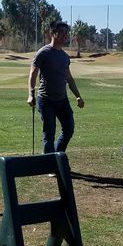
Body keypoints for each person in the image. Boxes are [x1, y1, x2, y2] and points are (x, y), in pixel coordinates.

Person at [27, 21, 85, 153]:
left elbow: (69, 78)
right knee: (49, 134)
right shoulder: (43, 53)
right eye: (62, 32)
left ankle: (57, 159)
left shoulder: (65, 57)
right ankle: (49, 166)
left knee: (69, 129)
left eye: (67, 33)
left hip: (62, 100)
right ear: (53, 34)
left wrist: (78, 96)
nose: (66, 35)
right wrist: (31, 94)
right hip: (46, 100)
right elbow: (33, 73)